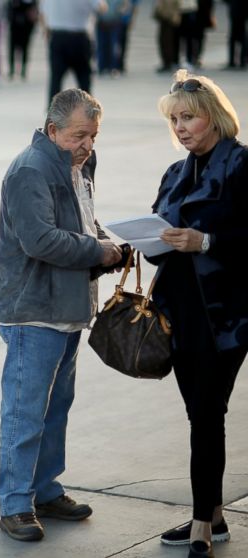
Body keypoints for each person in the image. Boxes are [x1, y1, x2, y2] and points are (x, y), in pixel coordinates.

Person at [0, 88, 124, 542]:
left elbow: (83, 222)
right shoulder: (31, 169)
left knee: (56, 408)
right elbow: (40, 240)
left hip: (66, 308)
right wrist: (98, 252)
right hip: (33, 310)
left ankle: (45, 490)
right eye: (79, 136)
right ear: (53, 131)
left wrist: (114, 244)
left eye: (93, 135)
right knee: (26, 412)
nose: (88, 145)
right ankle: (15, 505)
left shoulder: (79, 163)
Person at [149, 71, 247, 558]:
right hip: (180, 313)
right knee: (200, 415)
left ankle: (201, 529)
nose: (181, 127)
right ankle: (214, 514)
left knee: (207, 414)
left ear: (215, 116)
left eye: (188, 117)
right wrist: (150, 240)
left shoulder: (241, 166)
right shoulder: (175, 172)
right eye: (175, 120)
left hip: (227, 315)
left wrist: (205, 241)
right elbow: (157, 236)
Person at [41, 0, 104, 103]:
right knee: (84, 79)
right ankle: (86, 112)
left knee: (56, 79)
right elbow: (101, 8)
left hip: (58, 37)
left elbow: (43, 12)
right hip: (79, 37)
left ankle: (52, 114)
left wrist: (46, 30)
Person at [7, 0, 38, 80]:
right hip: (15, 27)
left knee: (25, 49)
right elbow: (10, 10)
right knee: (12, 49)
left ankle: (23, 71)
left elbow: (34, 12)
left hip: (26, 28)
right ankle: (12, 70)